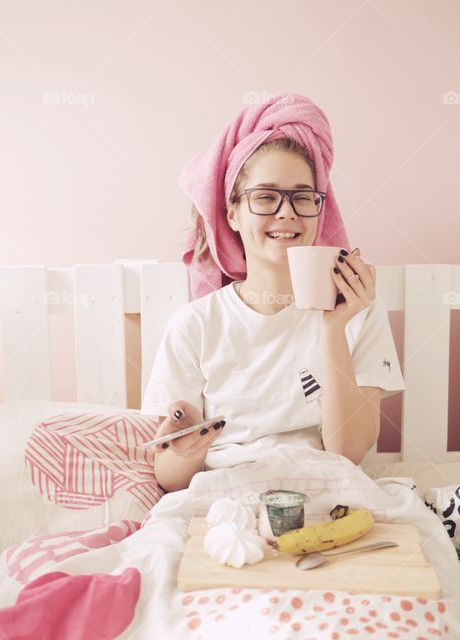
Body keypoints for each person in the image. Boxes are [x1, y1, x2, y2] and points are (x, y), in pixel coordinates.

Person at [140, 94, 405, 492]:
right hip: (225, 497)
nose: (287, 212)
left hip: (326, 492)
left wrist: (333, 328)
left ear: (320, 208)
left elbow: (347, 453)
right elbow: (169, 480)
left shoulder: (358, 311)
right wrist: (186, 452)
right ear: (232, 213)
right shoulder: (193, 326)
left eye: (302, 196)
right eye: (265, 196)